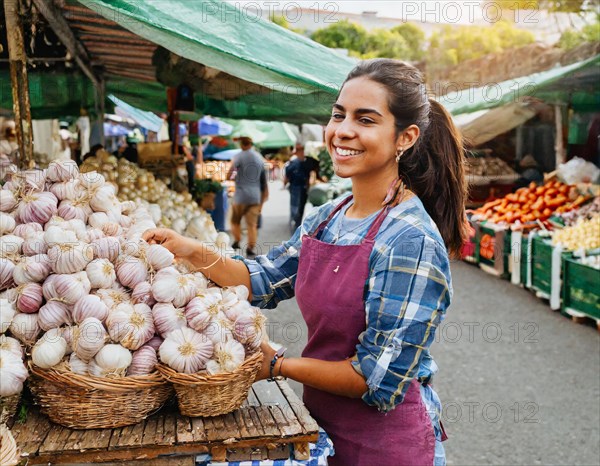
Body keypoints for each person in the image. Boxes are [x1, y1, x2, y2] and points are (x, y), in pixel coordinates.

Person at [143, 58, 467, 466]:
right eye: (338, 114)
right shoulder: (329, 216)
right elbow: (262, 279)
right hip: (321, 423)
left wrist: (279, 364)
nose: (342, 131)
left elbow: (377, 378)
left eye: (365, 119)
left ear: (405, 137)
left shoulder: (409, 239)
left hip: (386, 444)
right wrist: (190, 249)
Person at [226, 136, 269, 257]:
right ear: (251, 144)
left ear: (241, 145)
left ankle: (237, 240)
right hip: (255, 197)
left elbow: (229, 175)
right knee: (252, 224)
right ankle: (250, 247)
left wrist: (236, 177)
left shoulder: (238, 156)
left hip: (240, 196)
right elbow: (263, 182)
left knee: (235, 220)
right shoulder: (259, 158)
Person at [283, 143, 312, 232]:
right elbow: (287, 176)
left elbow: (308, 176)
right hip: (296, 186)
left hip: (301, 187)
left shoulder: (305, 162)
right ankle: (294, 223)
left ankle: (296, 224)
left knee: (299, 206)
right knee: (296, 206)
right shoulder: (294, 162)